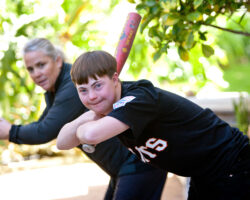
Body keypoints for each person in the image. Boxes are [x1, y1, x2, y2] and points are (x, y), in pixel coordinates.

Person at [57, 50, 250, 200]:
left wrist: (91, 116)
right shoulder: (109, 106)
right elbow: (62, 141)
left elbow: (91, 135)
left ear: (115, 79)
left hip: (233, 163)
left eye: (98, 85)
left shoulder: (138, 99)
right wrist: (93, 112)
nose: (91, 96)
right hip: (204, 173)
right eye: (83, 90)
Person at [0, 39, 168, 200]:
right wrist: (11, 130)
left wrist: (10, 131)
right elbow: (44, 126)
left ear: (57, 61)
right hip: (123, 168)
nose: (36, 74)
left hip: (137, 163)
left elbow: (45, 131)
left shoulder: (73, 86)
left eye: (41, 65)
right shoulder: (57, 88)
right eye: (30, 69)